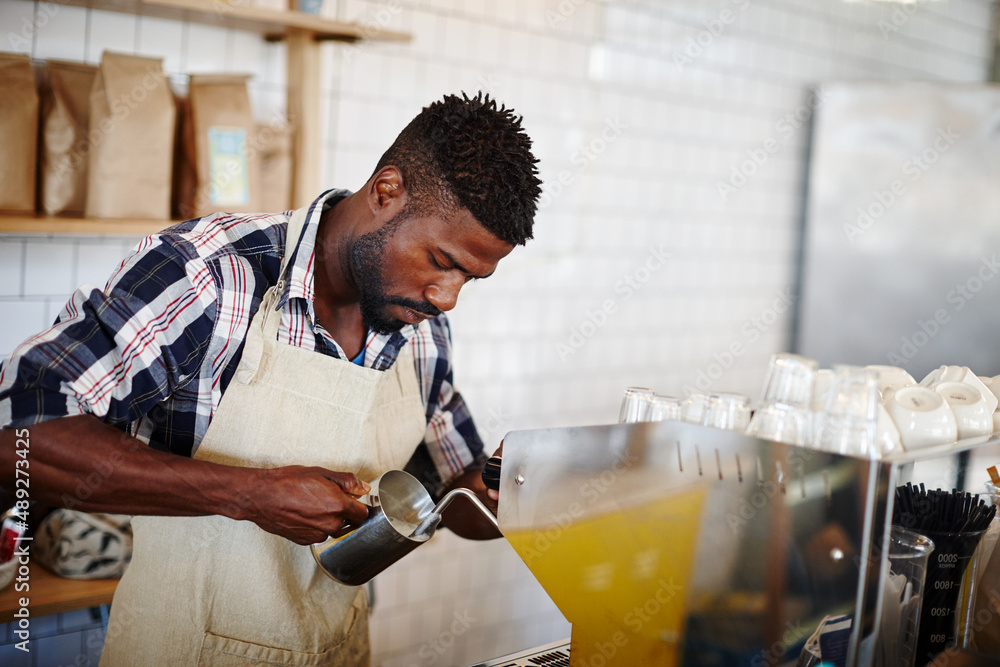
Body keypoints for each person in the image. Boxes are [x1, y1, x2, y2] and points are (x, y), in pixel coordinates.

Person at [0, 92, 541, 666]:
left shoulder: (422, 328)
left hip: (341, 651)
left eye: (471, 279)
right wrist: (247, 494)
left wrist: (509, 494)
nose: (447, 298)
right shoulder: (210, 273)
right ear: (387, 192)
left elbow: (451, 492)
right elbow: (21, 436)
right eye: (440, 261)